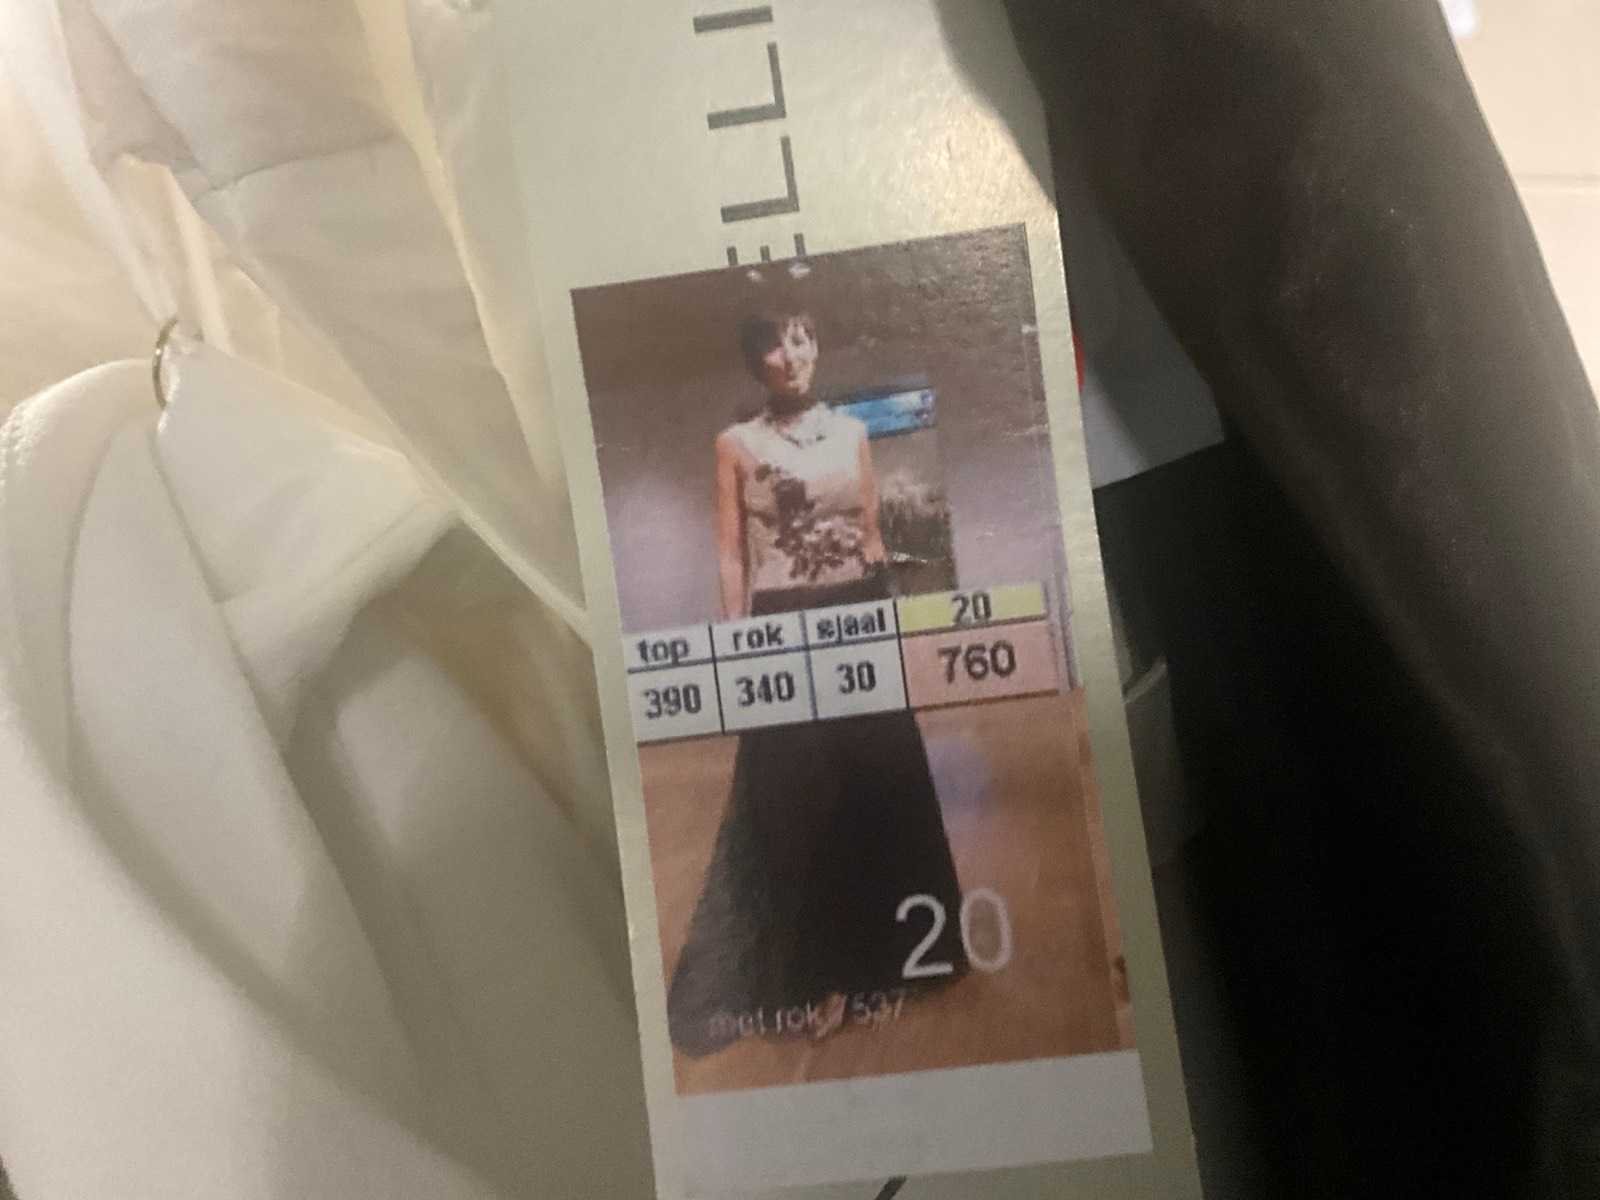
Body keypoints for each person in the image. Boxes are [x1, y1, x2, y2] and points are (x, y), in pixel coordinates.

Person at [665, 301, 968, 1057]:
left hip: (857, 611)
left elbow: (870, 533)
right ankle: (814, 972)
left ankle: (891, 959)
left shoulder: (854, 433)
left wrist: (889, 623)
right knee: (789, 794)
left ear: (816, 347)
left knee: (881, 780)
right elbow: (732, 553)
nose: (791, 354)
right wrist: (739, 642)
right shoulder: (735, 444)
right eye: (774, 343)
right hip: (783, 619)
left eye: (801, 338)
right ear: (755, 361)